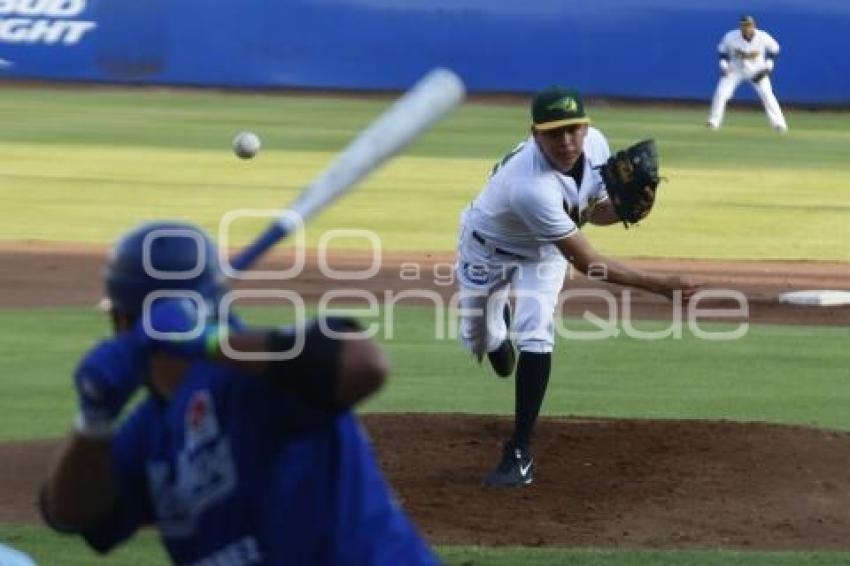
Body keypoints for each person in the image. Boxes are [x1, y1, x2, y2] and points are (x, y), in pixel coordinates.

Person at [40, 221, 438, 565]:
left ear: (121, 318)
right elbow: (72, 515)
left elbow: (364, 364)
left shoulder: (258, 380)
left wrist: (210, 340)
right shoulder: (149, 431)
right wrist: (93, 420)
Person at [455, 86, 700, 487]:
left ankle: (518, 452)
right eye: (554, 133)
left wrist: (622, 207)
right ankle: (495, 331)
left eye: (573, 129)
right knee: (481, 343)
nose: (566, 141)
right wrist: (660, 286)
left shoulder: (597, 145)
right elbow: (589, 263)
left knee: (535, 333)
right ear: (535, 134)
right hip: (487, 252)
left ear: (585, 127)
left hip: (547, 252)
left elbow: (588, 213)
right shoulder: (529, 187)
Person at [707, 15, 788, 132]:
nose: (747, 28)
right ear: (740, 26)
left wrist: (769, 64)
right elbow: (722, 51)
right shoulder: (731, 37)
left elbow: (775, 49)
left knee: (767, 95)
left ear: (754, 26)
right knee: (721, 93)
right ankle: (713, 122)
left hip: (757, 70)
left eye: (749, 25)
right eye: (744, 25)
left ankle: (779, 124)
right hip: (735, 69)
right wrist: (724, 65)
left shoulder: (762, 37)